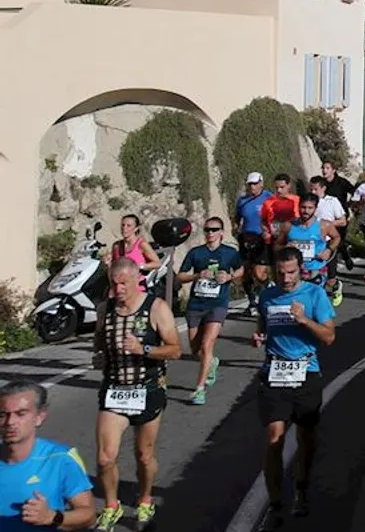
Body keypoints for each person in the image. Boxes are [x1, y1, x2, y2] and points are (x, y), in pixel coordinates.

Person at [92, 257, 181, 532]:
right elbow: (98, 342)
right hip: (114, 389)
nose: (118, 289)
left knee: (143, 456)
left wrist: (143, 349)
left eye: (123, 284)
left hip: (147, 389)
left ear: (135, 280)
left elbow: (175, 350)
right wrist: (98, 357)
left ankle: (144, 500)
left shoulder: (156, 307)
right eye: (114, 284)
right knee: (106, 458)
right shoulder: (105, 309)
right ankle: (111, 506)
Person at [253, 248, 336, 532]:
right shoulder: (267, 296)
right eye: (281, 273)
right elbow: (263, 324)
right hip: (274, 372)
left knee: (306, 437)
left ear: (300, 269)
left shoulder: (314, 295)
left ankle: (301, 489)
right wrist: (259, 335)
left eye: (291, 272)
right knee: (274, 438)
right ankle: (274, 506)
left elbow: (329, 337)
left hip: (306, 371)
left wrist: (304, 321)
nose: (286, 278)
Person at [0, 380, 96, 532]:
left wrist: (51, 517)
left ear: (39, 417)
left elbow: (88, 514)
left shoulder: (61, 458)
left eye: (21, 414)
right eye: (3, 415)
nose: (10, 422)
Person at [175, 218, 241, 406]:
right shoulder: (196, 253)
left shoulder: (230, 253)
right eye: (207, 230)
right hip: (196, 305)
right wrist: (197, 275)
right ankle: (212, 362)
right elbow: (181, 275)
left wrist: (229, 276)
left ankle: (199, 390)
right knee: (196, 350)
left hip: (217, 305)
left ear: (222, 232)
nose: (210, 233)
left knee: (206, 345)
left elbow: (241, 269)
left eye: (214, 230)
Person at [233, 174, 270, 294]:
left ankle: (268, 287)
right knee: (245, 271)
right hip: (246, 239)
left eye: (255, 184)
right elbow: (237, 218)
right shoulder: (242, 201)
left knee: (259, 273)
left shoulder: (269, 197)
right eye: (250, 184)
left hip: (262, 239)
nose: (252, 187)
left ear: (261, 183)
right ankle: (252, 301)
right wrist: (236, 226)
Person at [107, 217, 161, 291]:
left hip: (137, 287)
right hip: (120, 288)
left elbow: (157, 263)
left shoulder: (141, 244)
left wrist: (140, 266)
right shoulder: (116, 246)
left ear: (136, 228)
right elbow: (113, 267)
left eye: (128, 225)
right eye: (123, 225)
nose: (124, 228)